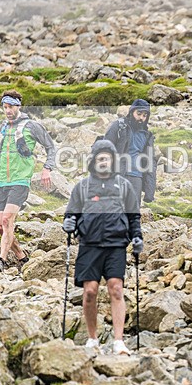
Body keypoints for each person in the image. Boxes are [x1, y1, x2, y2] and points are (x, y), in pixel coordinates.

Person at [62, 140, 142, 356]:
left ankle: (119, 341)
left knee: (116, 288)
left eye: (107, 158)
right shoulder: (83, 187)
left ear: (113, 160)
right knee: (90, 292)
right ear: (94, 161)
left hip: (116, 244)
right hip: (89, 244)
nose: (104, 161)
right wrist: (68, 223)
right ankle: (92, 339)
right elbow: (71, 213)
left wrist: (137, 238)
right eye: (100, 158)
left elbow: (134, 216)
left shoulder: (124, 185)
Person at [0, 90, 56, 272]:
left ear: (19, 106)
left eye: (11, 107)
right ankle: (22, 257)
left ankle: (1, 260)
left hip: (20, 180)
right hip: (2, 181)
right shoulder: (4, 127)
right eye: (5, 107)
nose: (8, 111)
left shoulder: (32, 126)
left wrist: (47, 168)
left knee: (7, 220)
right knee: (0, 227)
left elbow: (51, 147)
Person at [102, 99, 156, 205]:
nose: (141, 118)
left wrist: (150, 192)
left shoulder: (147, 135)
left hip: (137, 178)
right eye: (139, 114)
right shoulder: (119, 127)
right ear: (131, 112)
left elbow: (150, 163)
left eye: (145, 115)